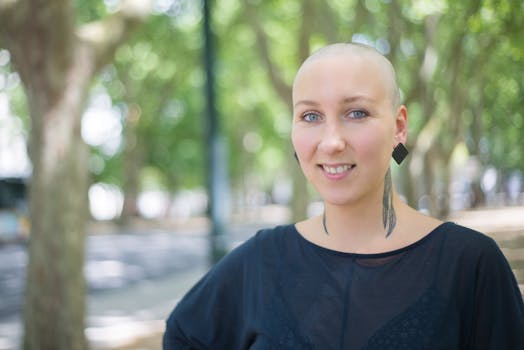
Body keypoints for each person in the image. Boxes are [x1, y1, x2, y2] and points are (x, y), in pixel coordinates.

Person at [163, 42, 524, 349]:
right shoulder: (261, 261)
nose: (332, 141)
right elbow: (183, 336)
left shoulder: (470, 264)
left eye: (356, 113)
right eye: (310, 116)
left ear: (399, 127)